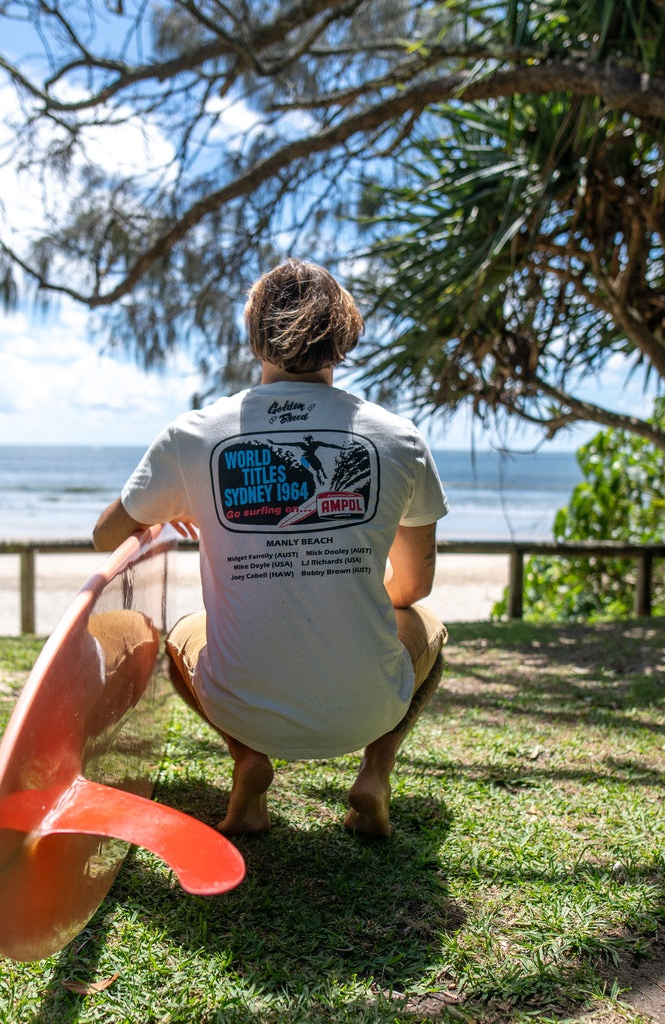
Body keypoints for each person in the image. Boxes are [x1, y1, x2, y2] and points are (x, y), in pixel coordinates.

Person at [94, 258, 449, 838]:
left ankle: (248, 761)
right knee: (425, 624)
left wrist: (185, 504)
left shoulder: (194, 436)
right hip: (367, 708)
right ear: (346, 334)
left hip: (243, 706)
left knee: (187, 630)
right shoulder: (397, 437)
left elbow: (106, 536)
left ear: (254, 332)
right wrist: (339, 595)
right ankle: (375, 773)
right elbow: (413, 586)